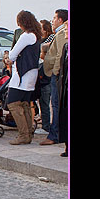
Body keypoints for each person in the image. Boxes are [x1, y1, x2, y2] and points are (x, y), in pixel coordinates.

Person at [4, 10, 42, 145]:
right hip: (31, 73)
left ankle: (23, 134)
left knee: (13, 103)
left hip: (22, 74)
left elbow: (13, 54)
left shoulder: (26, 36)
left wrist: (9, 59)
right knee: (25, 103)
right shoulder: (36, 35)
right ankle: (28, 133)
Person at [39, 9, 68, 147]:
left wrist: (56, 73)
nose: (52, 20)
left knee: (56, 105)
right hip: (56, 74)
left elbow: (60, 56)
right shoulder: (60, 33)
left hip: (57, 75)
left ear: (61, 20)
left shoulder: (63, 33)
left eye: (55, 18)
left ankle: (54, 134)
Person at [57, 22, 68, 157]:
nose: (65, 31)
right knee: (65, 116)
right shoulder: (66, 47)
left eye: (66, 29)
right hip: (65, 87)